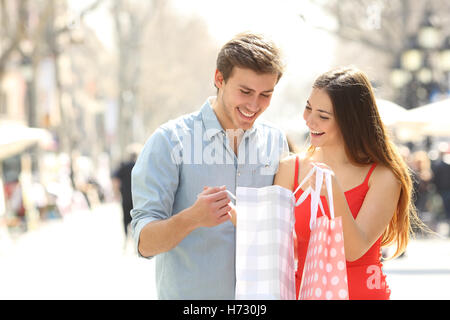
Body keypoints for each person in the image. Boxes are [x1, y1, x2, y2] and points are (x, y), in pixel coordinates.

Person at [130, 32, 288, 299]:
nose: (254, 105)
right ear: (219, 79)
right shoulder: (169, 141)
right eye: (245, 91)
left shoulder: (276, 142)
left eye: (266, 94)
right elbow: (144, 243)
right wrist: (192, 218)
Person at [273, 66, 424, 300]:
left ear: (350, 122)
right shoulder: (289, 168)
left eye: (323, 116)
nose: (309, 120)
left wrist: (333, 194)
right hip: (304, 293)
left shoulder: (382, 176)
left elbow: (354, 251)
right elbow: (280, 243)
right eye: (308, 108)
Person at [113, 144, 141, 245]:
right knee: (137, 219)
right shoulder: (140, 165)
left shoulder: (123, 166)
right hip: (137, 198)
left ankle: (126, 239)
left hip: (125, 197)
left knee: (125, 219)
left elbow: (115, 180)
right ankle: (136, 240)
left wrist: (116, 193)